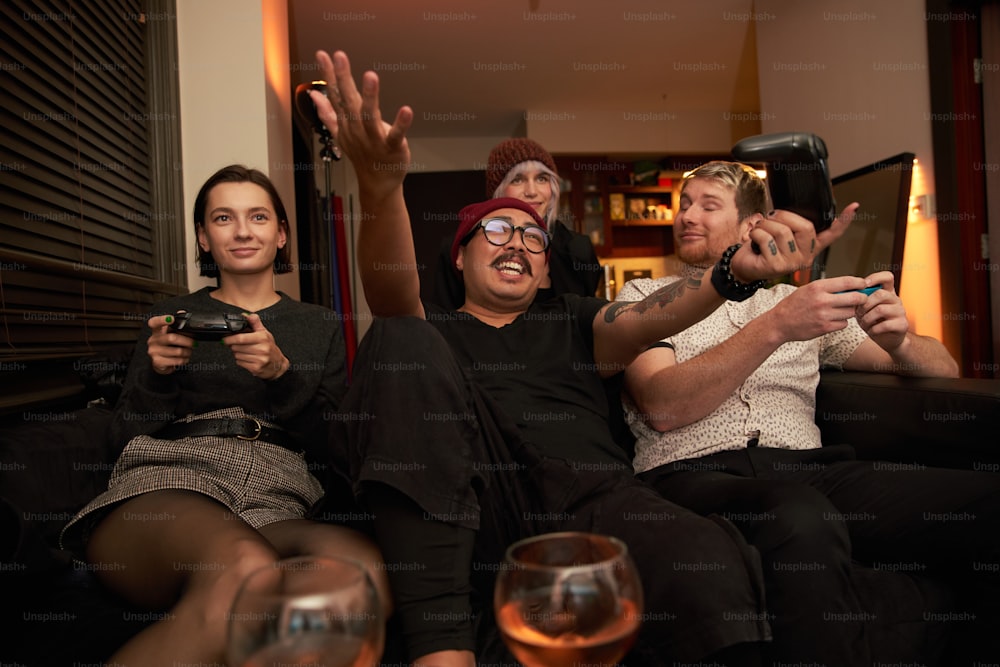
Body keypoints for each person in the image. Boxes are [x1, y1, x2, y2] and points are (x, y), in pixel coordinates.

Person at [310, 49, 854, 667]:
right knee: (399, 340)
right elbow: (389, 294)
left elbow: (656, 314)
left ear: (545, 270)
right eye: (494, 231)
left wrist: (731, 273)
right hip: (479, 496)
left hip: (592, 495)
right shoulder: (429, 331)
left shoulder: (573, 318)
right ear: (459, 258)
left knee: (703, 553)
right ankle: (444, 651)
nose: (517, 239)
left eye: (533, 237)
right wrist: (381, 192)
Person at [616, 160, 1000, 664]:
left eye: (708, 206)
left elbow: (944, 367)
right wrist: (775, 327)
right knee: (800, 516)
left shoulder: (799, 300)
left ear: (752, 225)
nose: (688, 216)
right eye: (685, 205)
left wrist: (900, 339)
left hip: (812, 469)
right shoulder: (642, 297)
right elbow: (663, 405)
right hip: (694, 473)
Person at [59, 165, 390, 666]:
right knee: (243, 565)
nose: (241, 230)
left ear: (281, 235)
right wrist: (156, 374)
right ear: (203, 237)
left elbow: (338, 452)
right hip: (172, 486)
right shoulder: (169, 314)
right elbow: (120, 439)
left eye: (257, 216)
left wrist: (282, 375)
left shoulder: (319, 324)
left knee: (357, 571)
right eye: (222, 217)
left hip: (276, 499)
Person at [432, 137, 602, 308]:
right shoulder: (463, 247)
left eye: (542, 179)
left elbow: (587, 321)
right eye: (517, 179)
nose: (532, 191)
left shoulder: (578, 250)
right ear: (498, 190)